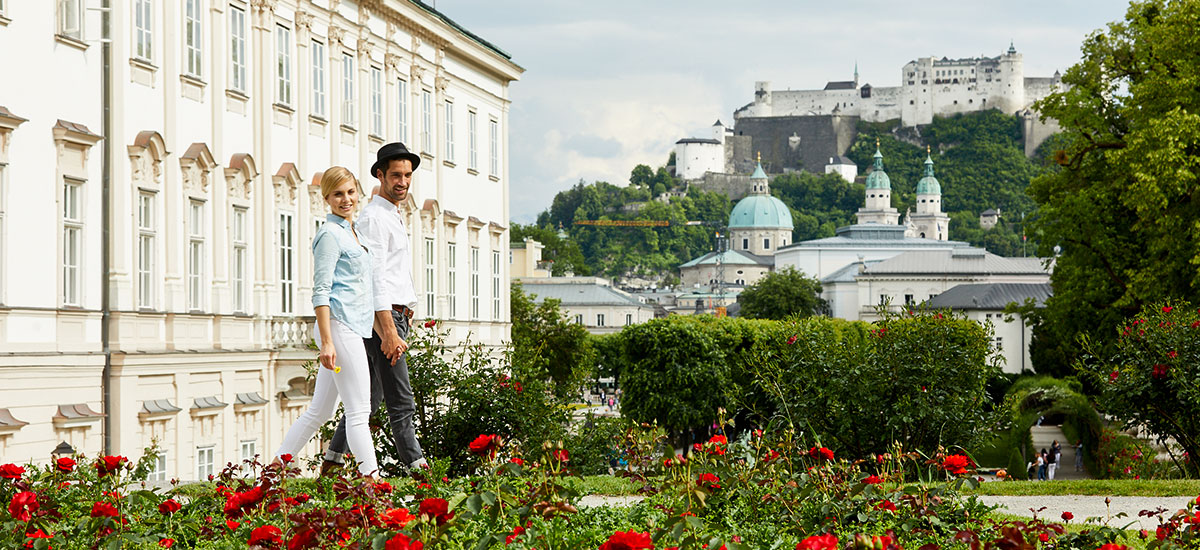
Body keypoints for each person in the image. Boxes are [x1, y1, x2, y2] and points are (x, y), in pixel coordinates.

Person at [322, 143, 428, 475]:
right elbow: (374, 279)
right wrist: (389, 331)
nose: (403, 182)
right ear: (380, 175)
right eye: (396, 175)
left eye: (408, 175)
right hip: (386, 318)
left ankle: (332, 462)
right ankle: (419, 470)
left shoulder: (389, 214)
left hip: (395, 316)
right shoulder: (373, 218)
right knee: (401, 399)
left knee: (370, 398)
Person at [276, 167, 378, 478]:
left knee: (318, 412)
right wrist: (328, 341)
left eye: (350, 192)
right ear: (326, 199)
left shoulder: (352, 231)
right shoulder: (329, 236)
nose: (345, 199)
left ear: (357, 192)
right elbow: (321, 292)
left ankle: (270, 474)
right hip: (340, 329)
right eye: (337, 194)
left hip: (350, 329)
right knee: (359, 412)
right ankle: (375, 487)